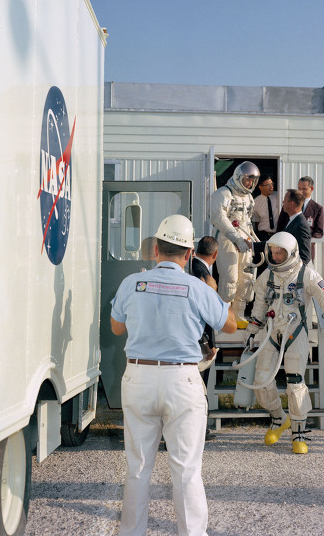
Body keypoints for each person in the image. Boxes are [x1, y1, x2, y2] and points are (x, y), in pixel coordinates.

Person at [110, 214, 238, 535]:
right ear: (189, 254)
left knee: (138, 468)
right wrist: (211, 289)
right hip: (182, 381)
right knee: (185, 471)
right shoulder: (196, 287)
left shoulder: (131, 283)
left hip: (138, 378)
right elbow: (231, 324)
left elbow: (116, 327)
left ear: (155, 250)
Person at [247, 232, 324, 453]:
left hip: (296, 332)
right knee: (261, 380)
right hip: (271, 332)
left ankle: (299, 432)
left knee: (295, 383)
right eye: (272, 251)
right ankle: (278, 418)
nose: (275, 254)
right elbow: (260, 306)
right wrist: (253, 330)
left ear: (291, 252)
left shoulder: (307, 275)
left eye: (279, 251)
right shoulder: (267, 276)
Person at [210, 161, 261, 323]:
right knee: (230, 278)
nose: (250, 183)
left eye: (253, 180)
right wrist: (236, 238)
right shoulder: (223, 194)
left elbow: (248, 221)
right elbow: (218, 218)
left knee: (246, 277)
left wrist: (254, 240)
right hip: (227, 238)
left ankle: (239, 314)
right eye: (248, 179)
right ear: (239, 177)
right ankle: (225, 316)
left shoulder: (249, 197)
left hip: (245, 238)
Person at [191, 236, 220, 441]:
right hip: (201, 339)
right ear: (215, 255)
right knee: (200, 383)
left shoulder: (192, 266)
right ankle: (199, 428)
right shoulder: (202, 273)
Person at [277, 176, 324, 261]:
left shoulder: (317, 208)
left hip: (305, 249)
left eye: (304, 189)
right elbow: (280, 225)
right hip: (287, 247)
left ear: (311, 188)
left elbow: (319, 231)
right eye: (299, 188)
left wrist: (310, 238)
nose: (301, 191)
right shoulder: (289, 205)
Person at [278, 189, 312, 265]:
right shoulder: (292, 220)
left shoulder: (301, 225)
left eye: (285, 200)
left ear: (291, 203)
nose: (283, 202)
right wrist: (252, 245)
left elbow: (304, 257)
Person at [252, 175, 280, 241]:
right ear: (260, 187)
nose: (271, 187)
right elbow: (256, 222)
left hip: (278, 235)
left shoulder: (279, 196)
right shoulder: (255, 202)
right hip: (263, 236)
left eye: (272, 184)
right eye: (268, 185)